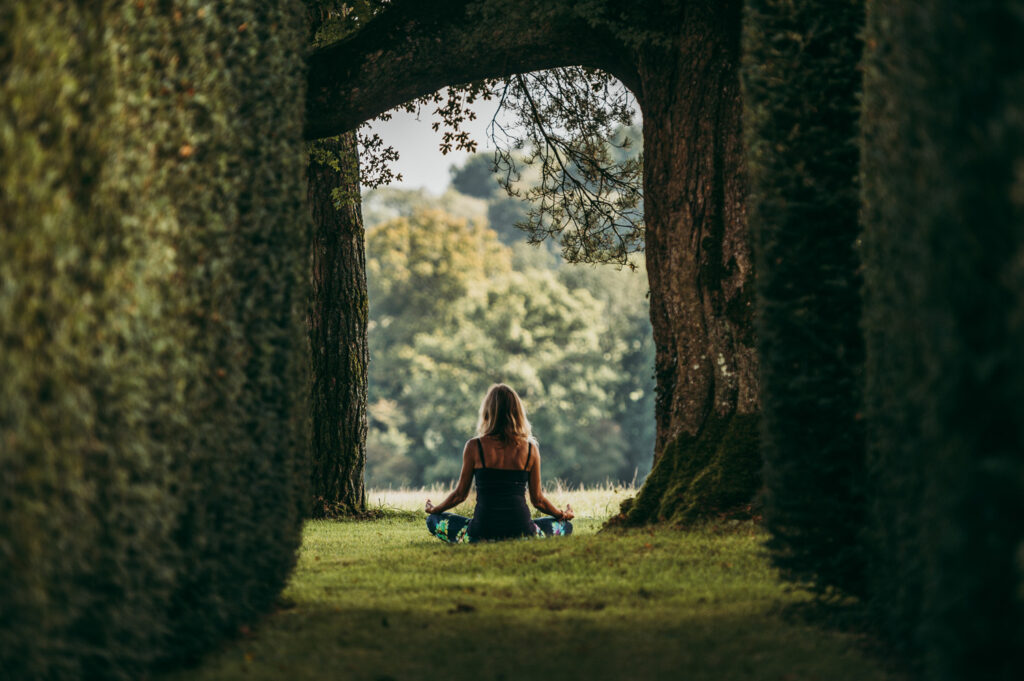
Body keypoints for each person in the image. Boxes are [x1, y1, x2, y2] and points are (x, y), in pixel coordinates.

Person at [425, 383, 575, 543]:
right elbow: (537, 500)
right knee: (565, 526)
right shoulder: (531, 449)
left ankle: (477, 537)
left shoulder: (474, 446)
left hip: (481, 532)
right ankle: (523, 536)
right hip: (522, 531)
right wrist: (562, 515)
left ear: (488, 412)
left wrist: (435, 510)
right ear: (518, 413)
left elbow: (460, 495)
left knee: (432, 520)